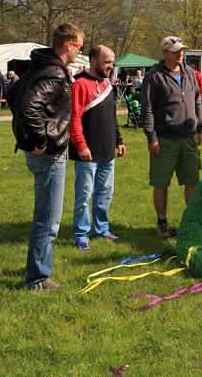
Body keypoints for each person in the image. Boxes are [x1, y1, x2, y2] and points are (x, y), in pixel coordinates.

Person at [11, 22, 84, 292]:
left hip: (40, 151)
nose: (81, 51)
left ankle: (37, 269)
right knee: (49, 218)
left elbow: (14, 94)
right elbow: (29, 108)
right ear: (68, 44)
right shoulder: (53, 72)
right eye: (80, 46)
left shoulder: (39, 66)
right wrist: (40, 141)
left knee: (46, 216)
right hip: (48, 154)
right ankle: (38, 279)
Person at [141, 36, 202, 239]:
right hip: (164, 139)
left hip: (189, 137)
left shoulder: (189, 72)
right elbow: (147, 109)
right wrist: (151, 137)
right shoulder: (154, 76)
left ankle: (193, 223)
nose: (180, 53)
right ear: (164, 53)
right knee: (161, 183)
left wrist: (200, 127)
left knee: (192, 180)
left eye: (182, 50)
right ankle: (162, 223)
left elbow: (197, 100)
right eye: (175, 50)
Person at [69, 45, 127, 251]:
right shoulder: (80, 85)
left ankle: (101, 229)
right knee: (84, 196)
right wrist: (81, 145)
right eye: (107, 62)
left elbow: (112, 117)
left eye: (112, 62)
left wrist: (119, 140)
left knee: (105, 193)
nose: (111, 66)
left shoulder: (109, 85)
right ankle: (81, 234)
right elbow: (74, 119)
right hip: (87, 153)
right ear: (94, 61)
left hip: (107, 151)